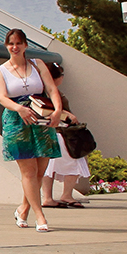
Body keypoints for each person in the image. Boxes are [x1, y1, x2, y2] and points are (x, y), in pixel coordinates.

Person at [0, 28, 64, 233]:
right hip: (17, 121)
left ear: (25, 45)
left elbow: (51, 89)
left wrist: (58, 110)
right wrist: (19, 108)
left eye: (18, 43)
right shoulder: (0, 71)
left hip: (41, 119)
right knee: (29, 171)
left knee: (40, 170)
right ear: (6, 46)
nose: (14, 47)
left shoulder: (37, 64)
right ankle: (40, 215)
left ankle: (23, 209)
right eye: (10, 43)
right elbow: (1, 97)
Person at [39, 62, 87, 208]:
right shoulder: (50, 92)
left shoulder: (47, 91)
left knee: (49, 166)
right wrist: (67, 115)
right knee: (74, 161)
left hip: (54, 132)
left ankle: (49, 196)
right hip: (61, 132)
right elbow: (48, 109)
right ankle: (65, 195)